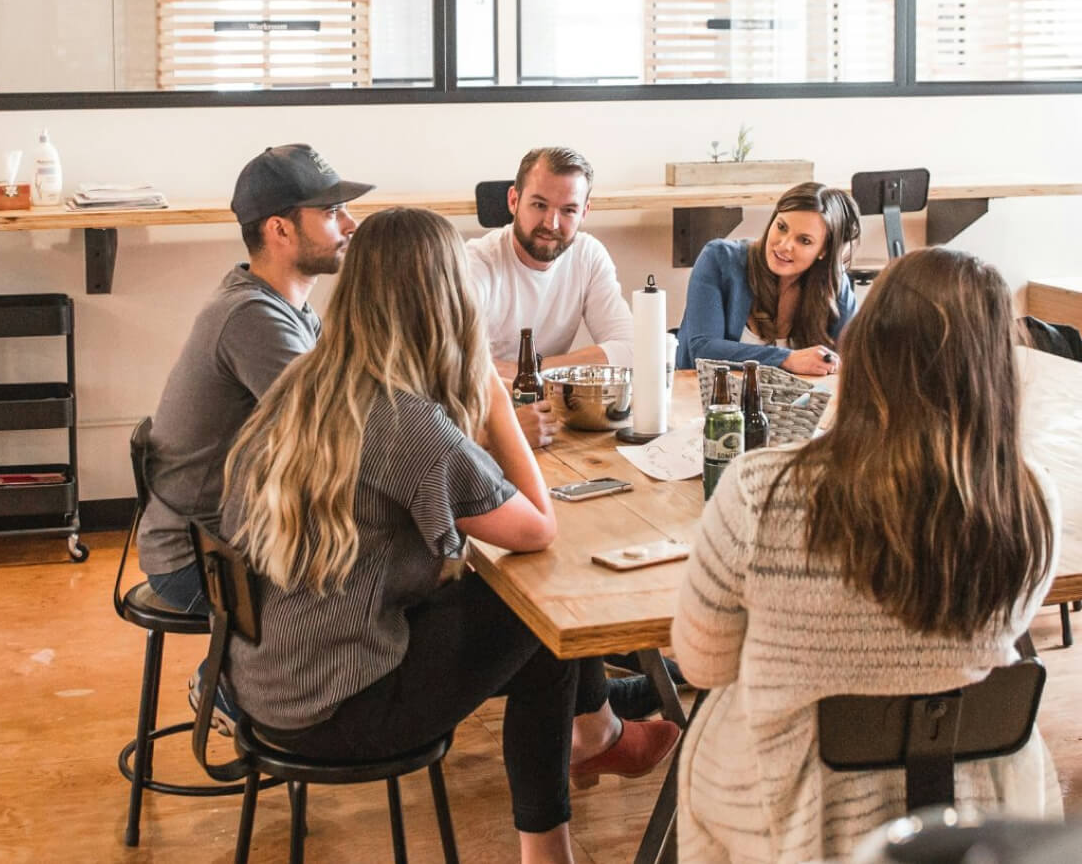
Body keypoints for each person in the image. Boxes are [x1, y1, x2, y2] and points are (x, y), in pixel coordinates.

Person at [219, 207, 681, 864]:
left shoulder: (304, 385)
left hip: (267, 680)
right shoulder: (408, 422)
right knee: (539, 607)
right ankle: (565, 809)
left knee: (519, 607)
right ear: (448, 302)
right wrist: (493, 396)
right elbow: (536, 525)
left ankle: (593, 742)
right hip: (341, 706)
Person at [673, 247, 1063, 864]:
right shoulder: (1029, 497)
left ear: (864, 348)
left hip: (793, 807)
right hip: (975, 799)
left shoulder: (760, 488)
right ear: (995, 367)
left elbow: (701, 663)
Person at [134, 144, 370, 614]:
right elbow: (340, 432)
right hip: (203, 564)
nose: (350, 225)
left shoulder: (287, 310)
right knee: (386, 587)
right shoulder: (252, 318)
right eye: (331, 211)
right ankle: (232, 686)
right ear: (279, 229)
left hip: (233, 542)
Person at [465, 147, 635, 450]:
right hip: (484, 425)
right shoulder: (476, 264)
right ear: (514, 200)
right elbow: (459, 369)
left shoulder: (588, 255)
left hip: (553, 424)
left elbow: (630, 350)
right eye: (539, 205)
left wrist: (533, 374)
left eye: (568, 210)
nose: (551, 223)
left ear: (584, 212)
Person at [675, 181, 860, 375]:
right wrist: (786, 359)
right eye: (781, 227)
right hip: (705, 401)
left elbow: (855, 358)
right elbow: (703, 350)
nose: (784, 245)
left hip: (799, 404)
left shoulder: (833, 283)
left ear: (824, 250)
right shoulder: (719, 259)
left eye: (804, 240)